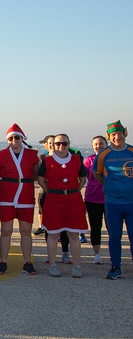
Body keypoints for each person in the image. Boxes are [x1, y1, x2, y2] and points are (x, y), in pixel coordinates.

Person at [0, 123, 40, 275]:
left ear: (22, 138)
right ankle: (3, 261)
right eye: (11, 138)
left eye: (17, 137)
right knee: (6, 230)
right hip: (6, 197)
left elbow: (36, 174)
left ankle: (27, 262)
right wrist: (4, 185)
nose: (14, 140)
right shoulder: (0, 155)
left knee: (26, 230)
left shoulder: (32, 155)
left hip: (25, 196)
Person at [37, 134, 87, 278]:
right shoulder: (47, 161)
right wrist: (49, 190)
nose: (61, 146)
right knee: (53, 234)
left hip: (73, 199)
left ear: (69, 144)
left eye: (64, 143)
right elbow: (41, 178)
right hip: (54, 199)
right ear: (53, 145)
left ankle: (77, 266)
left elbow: (83, 177)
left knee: (73, 234)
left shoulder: (76, 159)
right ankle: (52, 264)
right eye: (58, 143)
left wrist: (76, 190)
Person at [94, 120, 133, 280]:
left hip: (131, 202)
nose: (117, 137)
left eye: (120, 133)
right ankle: (115, 266)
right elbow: (98, 174)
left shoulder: (131, 151)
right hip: (112, 203)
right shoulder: (104, 154)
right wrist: (111, 187)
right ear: (109, 137)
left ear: (125, 133)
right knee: (115, 236)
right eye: (113, 134)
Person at [83, 135, 107, 265]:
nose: (98, 146)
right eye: (96, 144)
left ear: (106, 144)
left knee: (112, 228)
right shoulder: (89, 160)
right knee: (95, 226)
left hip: (110, 198)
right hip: (93, 198)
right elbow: (86, 177)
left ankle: (114, 253)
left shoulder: (111, 158)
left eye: (101, 143)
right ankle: (97, 254)